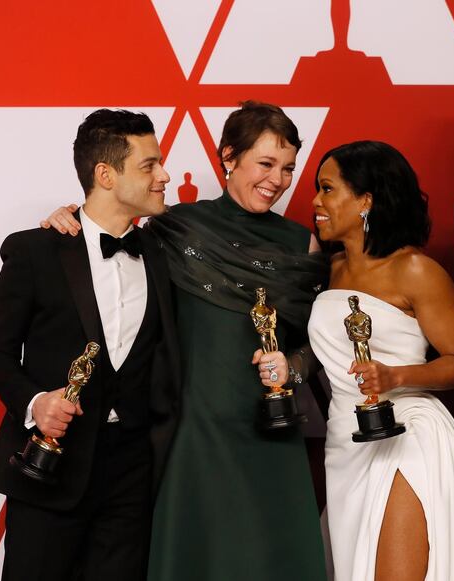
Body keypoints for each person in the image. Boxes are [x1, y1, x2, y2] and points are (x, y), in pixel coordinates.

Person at [43, 101, 329, 580]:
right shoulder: (174, 228)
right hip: (192, 433)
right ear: (228, 157)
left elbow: (323, 343)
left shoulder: (304, 245)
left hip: (270, 431)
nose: (277, 180)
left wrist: (293, 367)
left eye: (288, 168)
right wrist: (66, 217)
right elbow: (106, 230)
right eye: (265, 163)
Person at [259, 140, 454, 580]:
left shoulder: (415, 270)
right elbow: (323, 353)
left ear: (366, 200)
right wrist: (291, 367)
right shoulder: (331, 267)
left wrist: (394, 375)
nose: (315, 202)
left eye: (327, 189)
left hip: (408, 436)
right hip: (347, 441)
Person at [0, 109, 180, 580]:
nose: (164, 175)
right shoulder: (36, 249)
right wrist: (35, 402)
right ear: (105, 174)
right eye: (149, 165)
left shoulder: (166, 250)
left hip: (132, 474)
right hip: (49, 468)